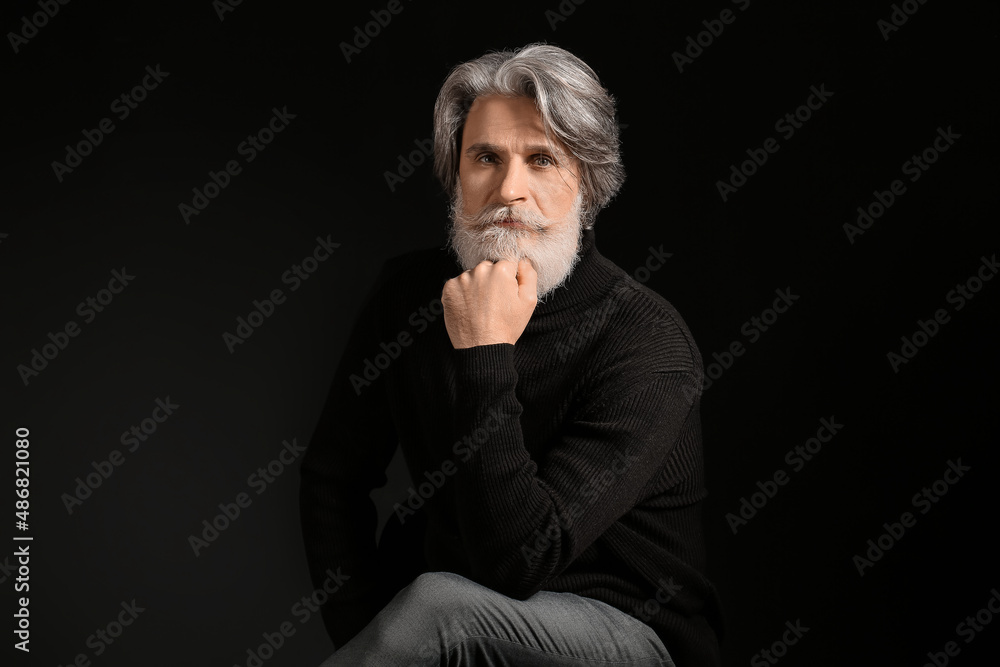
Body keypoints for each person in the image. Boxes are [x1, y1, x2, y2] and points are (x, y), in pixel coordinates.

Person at [300, 42, 724, 667]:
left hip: (629, 633)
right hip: (448, 614)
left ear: (589, 183)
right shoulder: (408, 297)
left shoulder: (647, 342)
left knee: (437, 607)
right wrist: (367, 639)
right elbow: (331, 481)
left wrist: (485, 349)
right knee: (431, 606)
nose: (509, 190)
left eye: (543, 159)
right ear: (456, 176)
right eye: (486, 158)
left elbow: (521, 560)